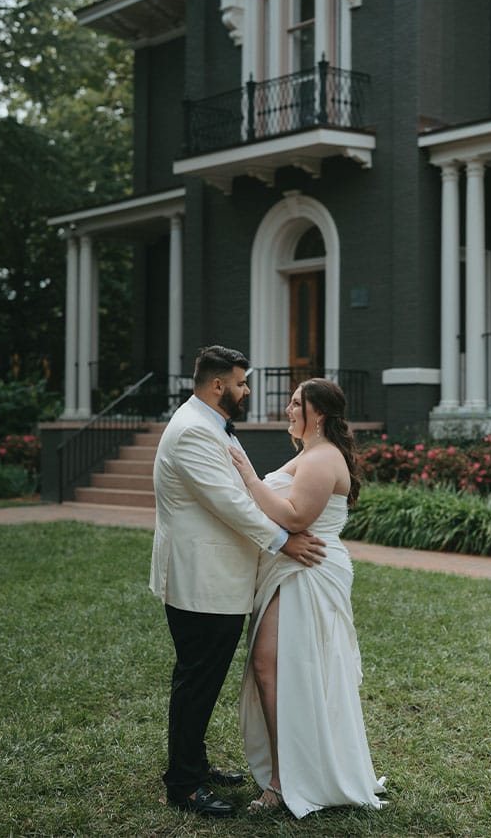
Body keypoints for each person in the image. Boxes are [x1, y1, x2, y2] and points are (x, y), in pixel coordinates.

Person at [149, 345, 327, 818]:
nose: (247, 390)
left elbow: (243, 489)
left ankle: (195, 765)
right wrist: (283, 540)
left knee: (201, 679)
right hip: (201, 580)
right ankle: (184, 786)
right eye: (242, 383)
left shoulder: (211, 424)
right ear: (216, 385)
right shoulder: (192, 432)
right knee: (196, 681)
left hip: (216, 578)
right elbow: (230, 503)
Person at [230, 377, 387, 818]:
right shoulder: (311, 455)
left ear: (316, 413)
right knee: (282, 669)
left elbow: (297, 517)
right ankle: (289, 772)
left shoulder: (322, 458)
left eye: (296, 403)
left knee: (276, 666)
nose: (288, 409)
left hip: (308, 571)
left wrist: (246, 475)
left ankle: (285, 781)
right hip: (294, 569)